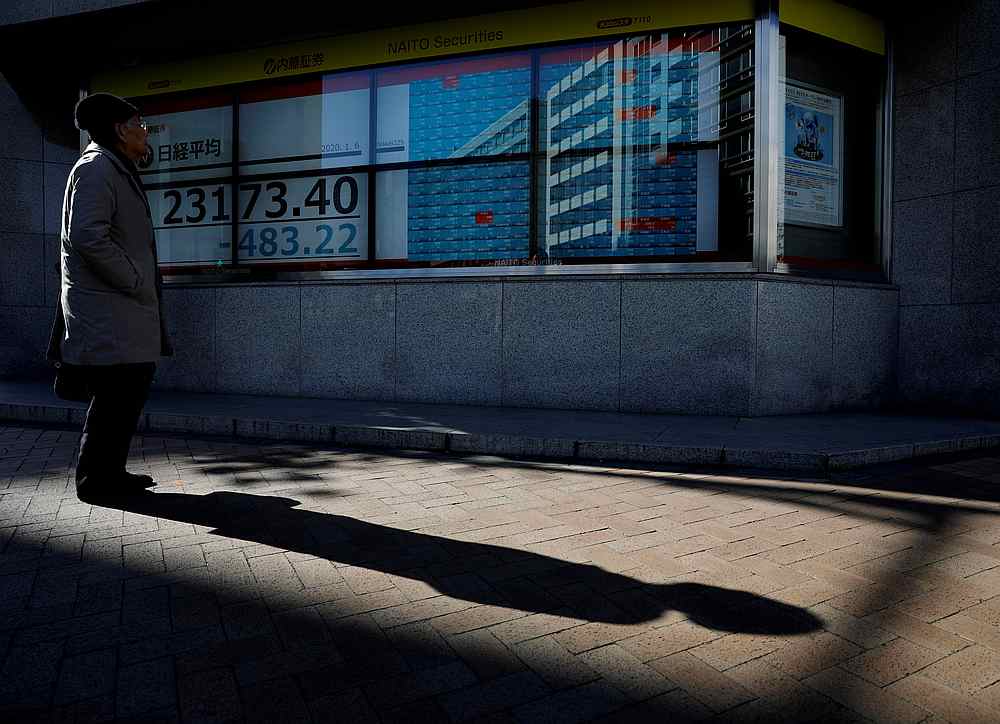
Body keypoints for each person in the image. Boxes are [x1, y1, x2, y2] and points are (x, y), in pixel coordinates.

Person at [46, 92, 173, 500]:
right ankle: (95, 482)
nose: (145, 132)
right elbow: (87, 236)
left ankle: (110, 474)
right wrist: (134, 279)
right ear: (120, 129)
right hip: (111, 310)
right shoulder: (97, 168)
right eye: (139, 125)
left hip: (121, 310)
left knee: (124, 396)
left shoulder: (113, 167)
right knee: (114, 398)